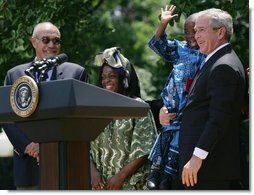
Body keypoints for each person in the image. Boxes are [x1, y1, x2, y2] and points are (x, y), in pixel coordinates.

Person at [2, 22, 88, 190]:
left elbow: (79, 118)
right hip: (28, 166)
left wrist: (49, 146)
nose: (51, 45)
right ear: (33, 42)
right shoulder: (16, 75)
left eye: (56, 41)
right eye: (46, 40)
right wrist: (29, 146)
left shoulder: (76, 73)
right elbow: (7, 118)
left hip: (65, 164)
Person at [177, 8, 246, 190]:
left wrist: (196, 158)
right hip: (203, 169)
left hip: (210, 170)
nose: (195, 35)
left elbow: (218, 119)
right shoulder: (216, 61)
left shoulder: (224, 66)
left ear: (221, 32)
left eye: (201, 30)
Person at [146, 5, 206, 190]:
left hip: (187, 109)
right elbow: (158, 45)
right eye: (186, 32)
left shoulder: (207, 55)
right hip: (171, 102)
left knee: (177, 140)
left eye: (194, 32)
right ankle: (154, 171)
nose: (190, 37)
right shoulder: (180, 49)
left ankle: (167, 177)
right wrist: (163, 24)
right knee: (165, 135)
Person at [90, 47, 158, 190]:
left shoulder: (138, 107)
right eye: (103, 77)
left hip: (130, 185)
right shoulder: (96, 108)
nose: (106, 81)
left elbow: (144, 149)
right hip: (100, 186)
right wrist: (93, 173)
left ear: (124, 79)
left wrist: (120, 177)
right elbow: (84, 145)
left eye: (112, 76)